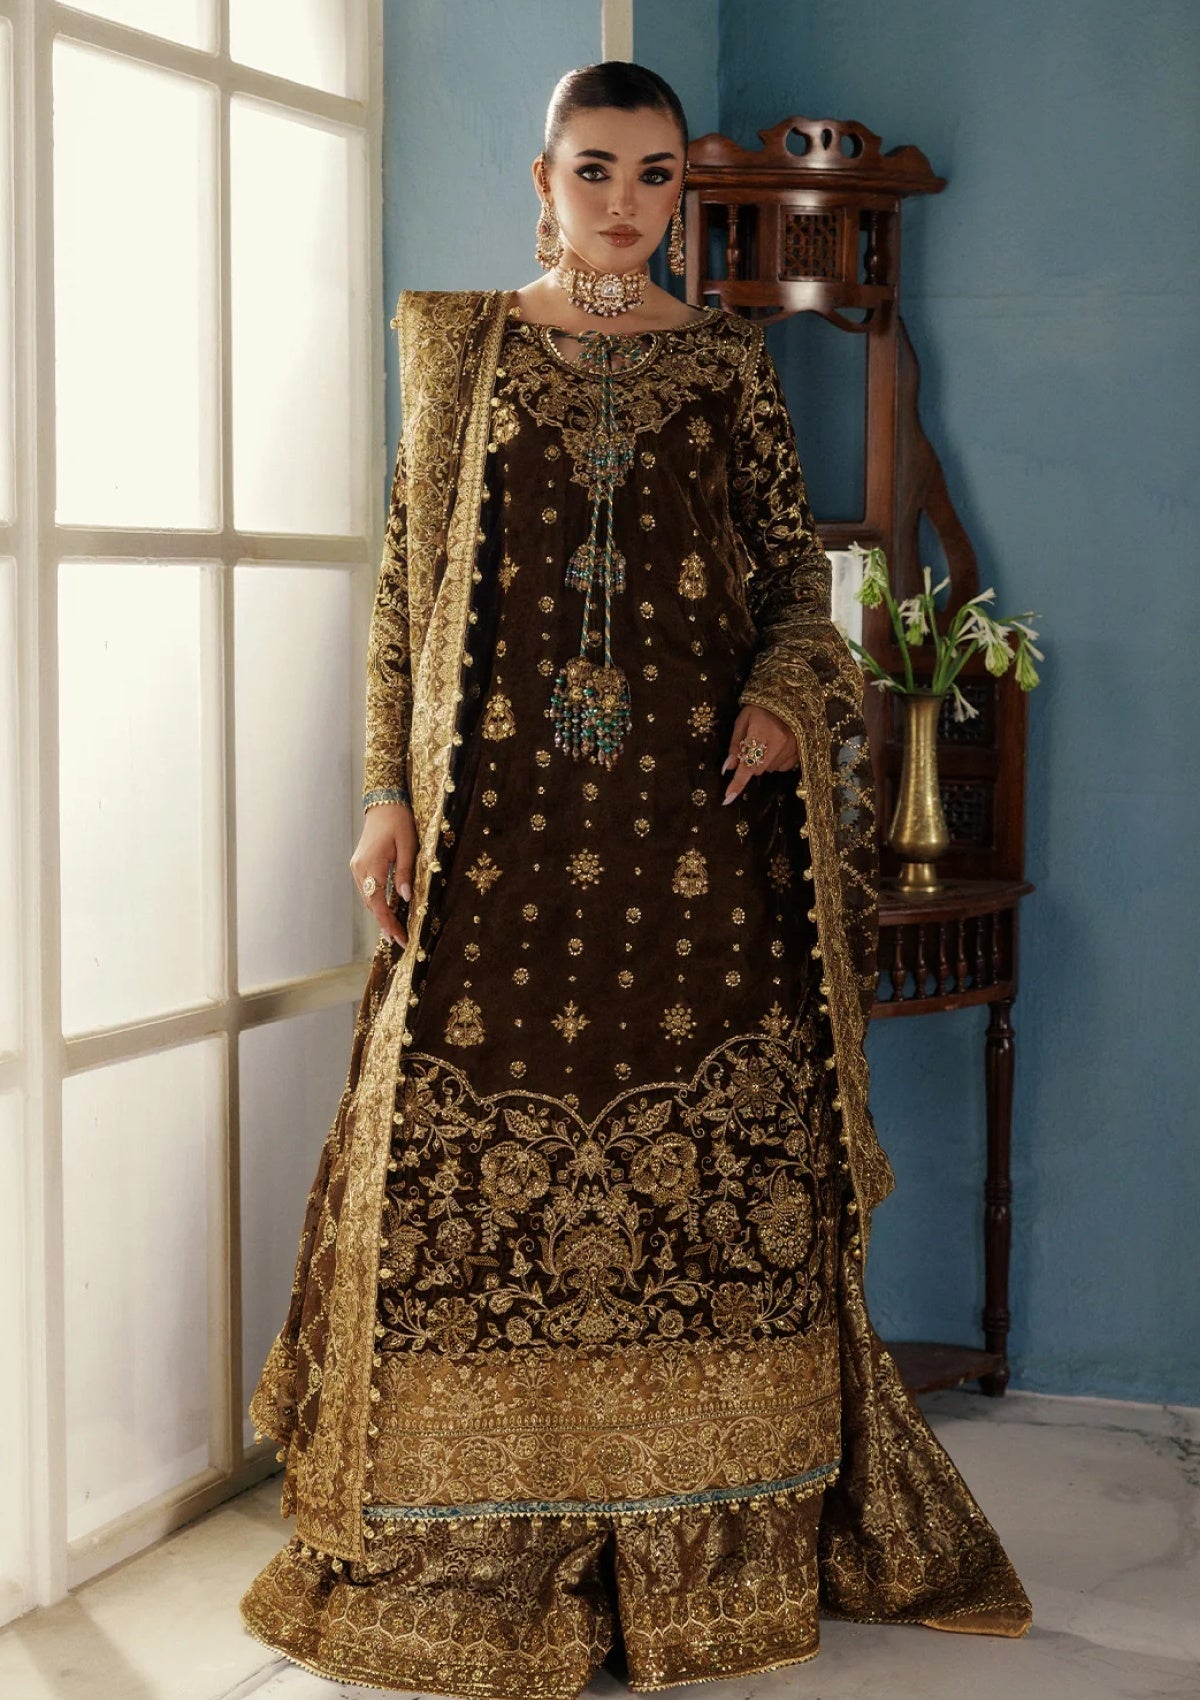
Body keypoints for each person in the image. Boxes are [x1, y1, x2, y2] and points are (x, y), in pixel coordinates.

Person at [238, 60, 1032, 1700]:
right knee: (451, 1181)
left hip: (697, 852)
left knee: (719, 1185)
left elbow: (798, 589)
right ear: (543, 178)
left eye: (654, 175)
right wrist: (384, 794)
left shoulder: (728, 364)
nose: (623, 204)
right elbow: (403, 590)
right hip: (497, 846)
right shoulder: (459, 347)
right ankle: (463, 1532)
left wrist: (781, 702)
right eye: (594, 169)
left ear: (680, 191)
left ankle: (713, 1542)